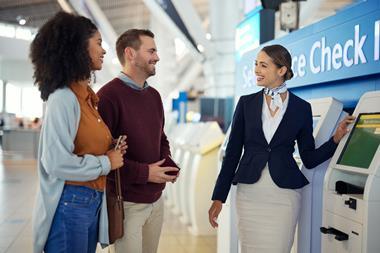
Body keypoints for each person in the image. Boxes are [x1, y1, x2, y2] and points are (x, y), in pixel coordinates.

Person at [208, 44, 355, 253]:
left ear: (282, 70)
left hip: (284, 195)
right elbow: (232, 154)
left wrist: (335, 139)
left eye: (263, 65)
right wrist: (218, 197)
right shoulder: (246, 103)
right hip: (250, 194)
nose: (257, 70)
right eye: (256, 64)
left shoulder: (301, 108)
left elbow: (309, 158)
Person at [30, 12, 126, 253]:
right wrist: (106, 162)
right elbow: (56, 162)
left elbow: (81, 145)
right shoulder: (64, 98)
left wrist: (110, 147)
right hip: (71, 204)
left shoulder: (87, 99)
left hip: (89, 202)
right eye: (98, 43)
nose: (104, 51)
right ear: (78, 47)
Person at [97, 29, 179, 253]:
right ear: (130, 54)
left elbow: (161, 138)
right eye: (151, 51)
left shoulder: (154, 96)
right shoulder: (107, 96)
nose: (157, 57)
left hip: (156, 201)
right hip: (127, 203)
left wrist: (167, 165)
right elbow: (103, 156)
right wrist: (145, 173)